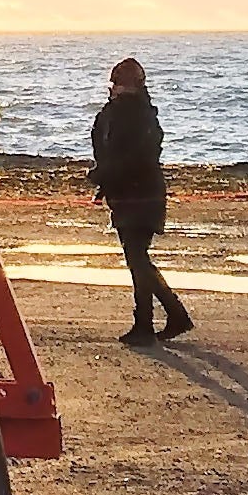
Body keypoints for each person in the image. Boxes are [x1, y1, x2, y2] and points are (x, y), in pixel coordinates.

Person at [89, 56, 192, 343]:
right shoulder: (115, 113)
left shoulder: (140, 116)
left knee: (137, 257)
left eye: (121, 85)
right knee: (137, 258)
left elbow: (137, 157)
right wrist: (103, 179)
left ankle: (155, 319)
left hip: (142, 195)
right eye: (115, 84)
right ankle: (164, 317)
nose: (116, 89)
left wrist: (104, 175)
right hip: (125, 194)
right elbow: (106, 149)